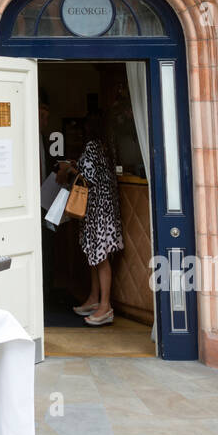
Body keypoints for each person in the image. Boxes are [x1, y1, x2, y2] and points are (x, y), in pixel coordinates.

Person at [67, 112, 123, 326]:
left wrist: (70, 169)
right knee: (95, 255)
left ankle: (105, 306)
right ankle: (94, 299)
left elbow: (87, 179)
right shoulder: (106, 146)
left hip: (97, 212)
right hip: (106, 209)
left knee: (100, 258)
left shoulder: (91, 146)